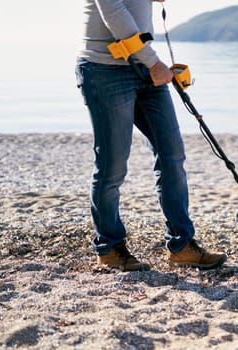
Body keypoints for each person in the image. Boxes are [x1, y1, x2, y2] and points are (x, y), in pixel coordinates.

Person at [75, 0, 227, 271]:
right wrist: (154, 62)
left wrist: (150, 62)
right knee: (112, 166)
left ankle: (182, 245)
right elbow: (114, 12)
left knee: (172, 154)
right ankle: (110, 248)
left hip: (145, 68)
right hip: (105, 70)